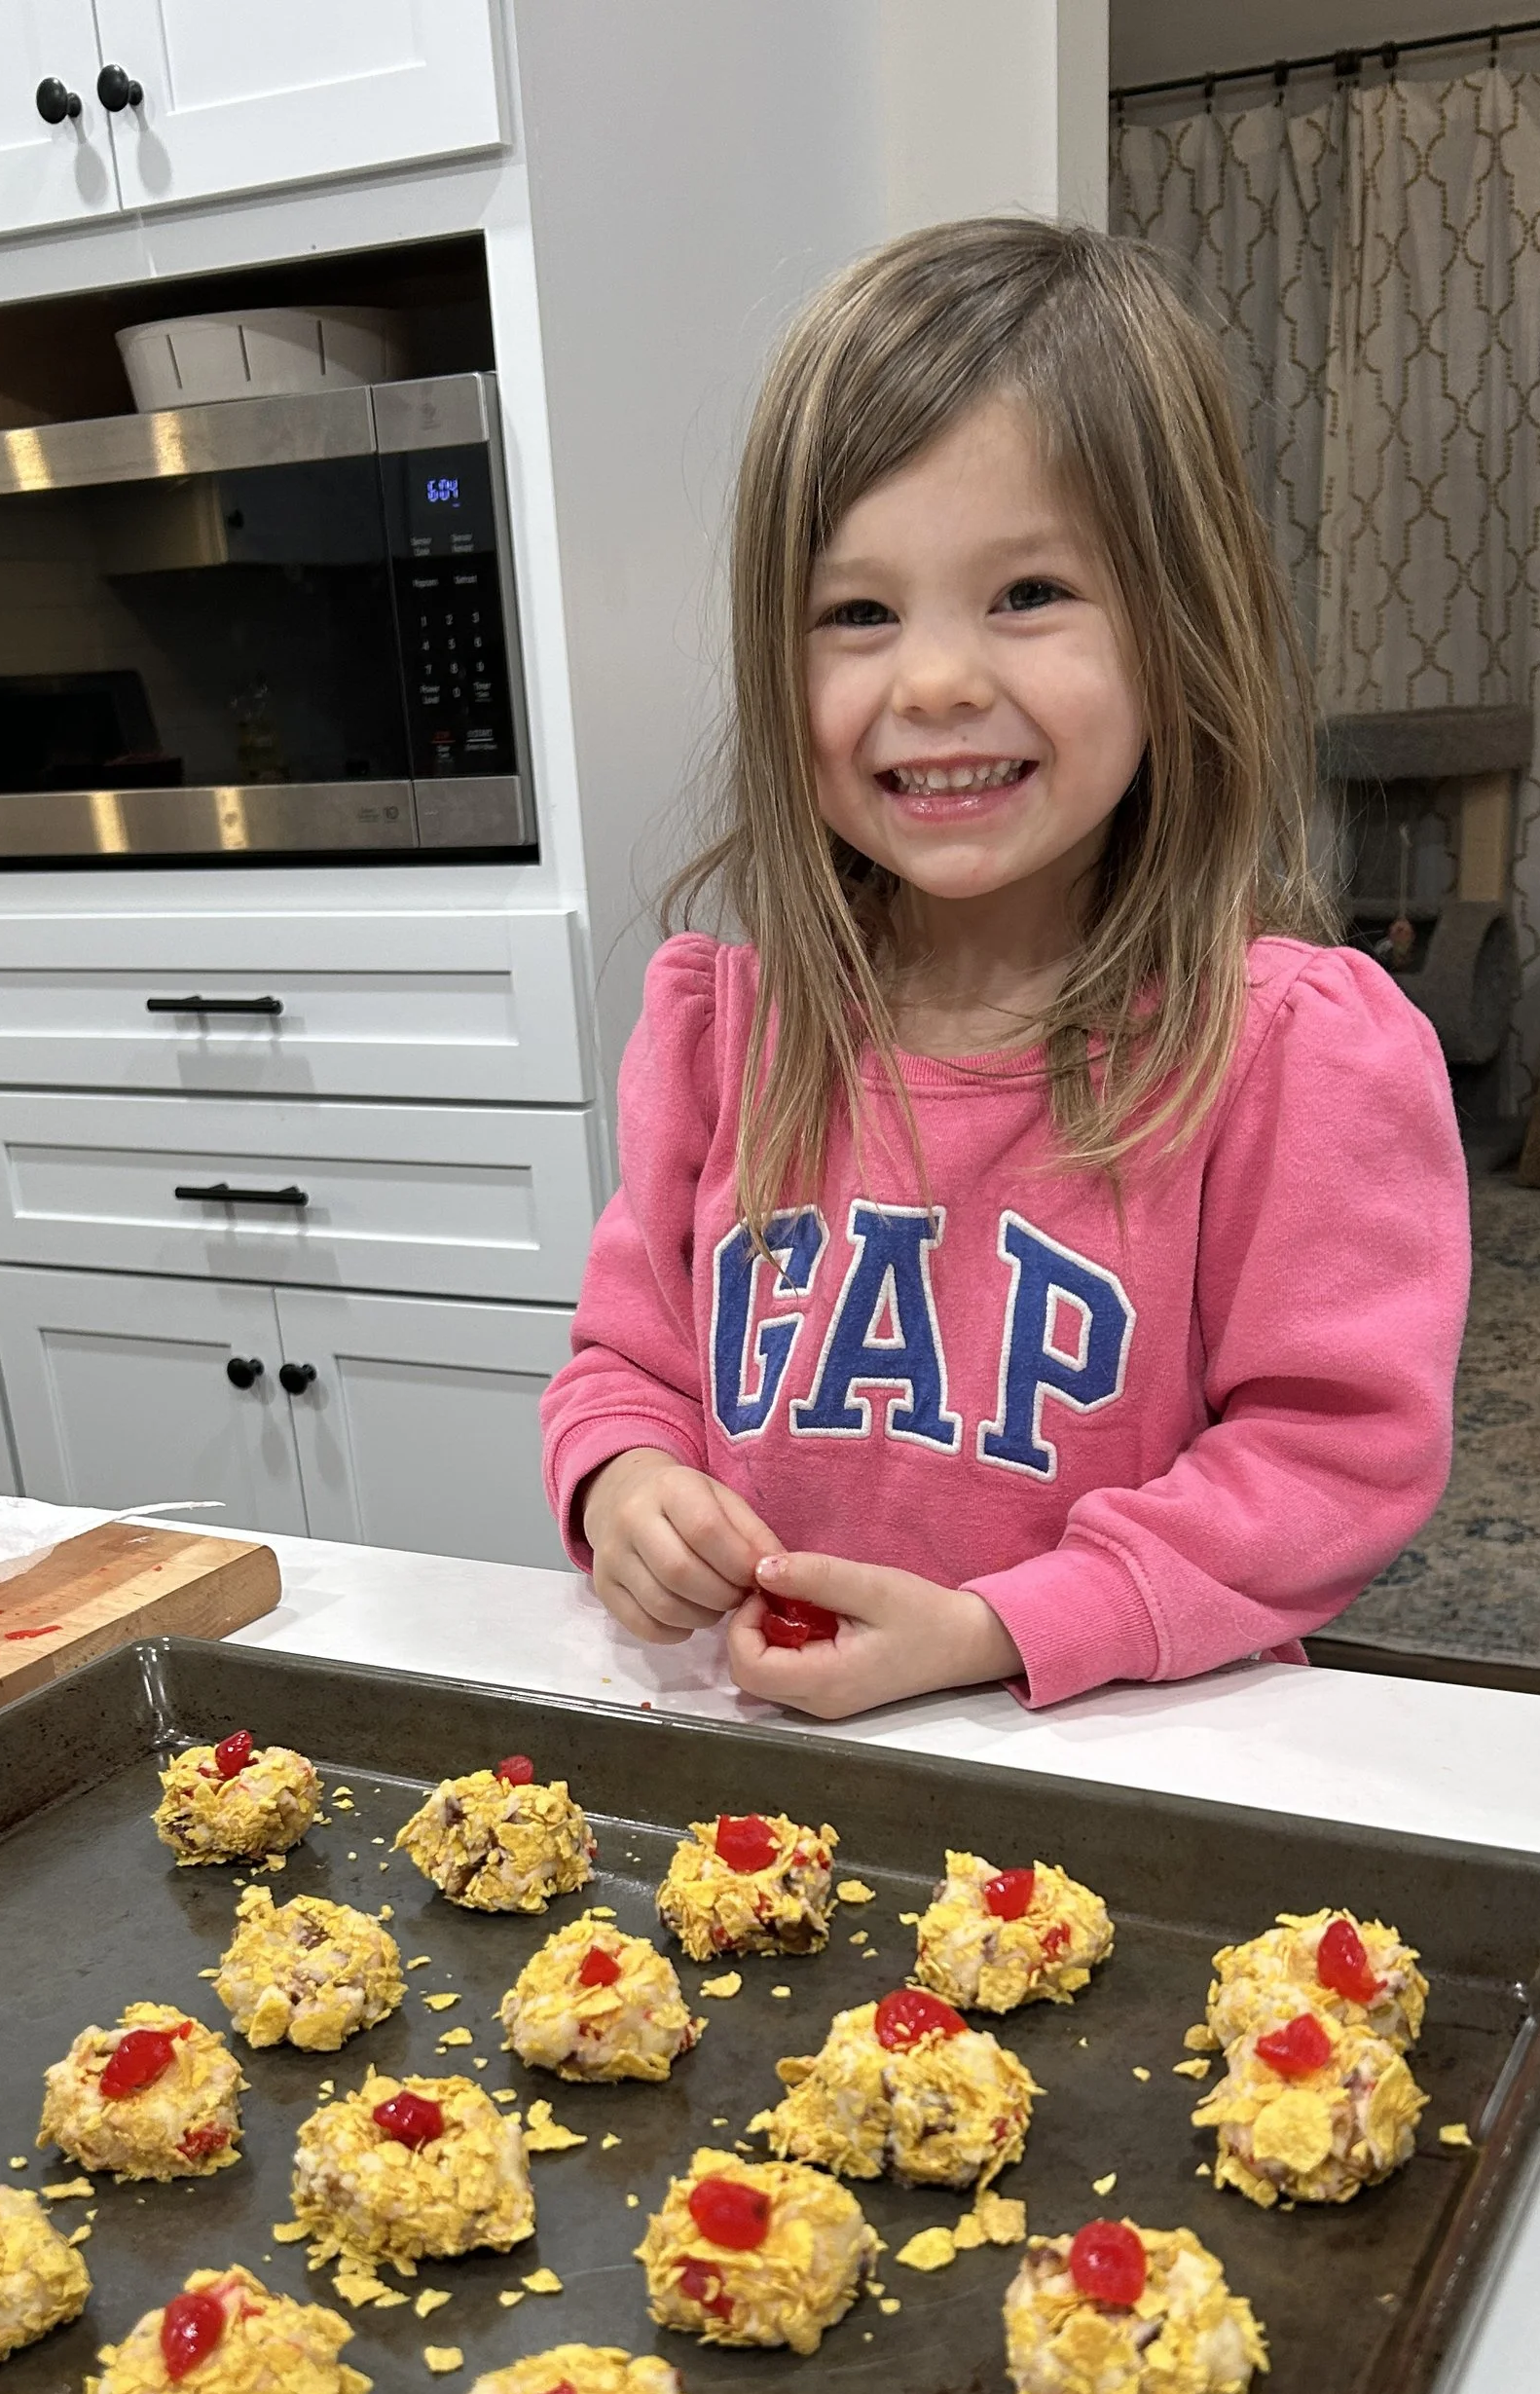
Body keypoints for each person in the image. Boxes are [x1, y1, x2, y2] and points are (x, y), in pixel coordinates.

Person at [538, 219, 1468, 1719]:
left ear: (1181, 627)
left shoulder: (1294, 1050)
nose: (936, 679)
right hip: (767, 1785)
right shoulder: (725, 1030)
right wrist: (625, 1484)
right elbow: (623, 1367)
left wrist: (1000, 1629)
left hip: (1120, 1765)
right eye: (857, 612)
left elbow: (1332, 1460)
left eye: (1028, 593)